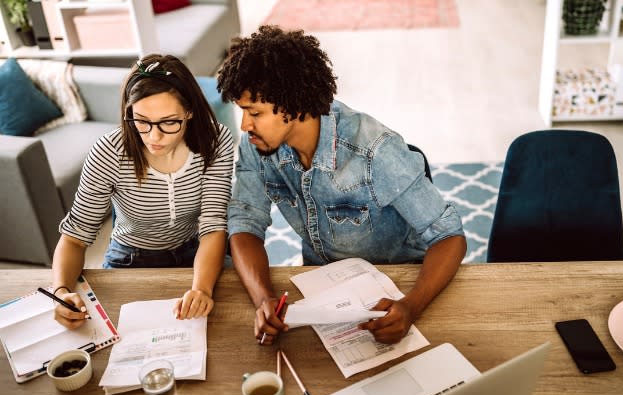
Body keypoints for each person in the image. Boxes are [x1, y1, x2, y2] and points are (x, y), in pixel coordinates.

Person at [217, 26, 467, 345]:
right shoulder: (255, 146)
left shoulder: (374, 151)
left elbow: (449, 237)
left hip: (398, 286)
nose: (244, 125)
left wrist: (411, 306)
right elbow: (244, 223)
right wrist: (263, 298)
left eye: (254, 113)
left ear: (293, 105)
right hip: (322, 289)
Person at [51, 54, 234, 329]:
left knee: (228, 322)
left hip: (198, 250)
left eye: (168, 122)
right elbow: (76, 237)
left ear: (190, 111)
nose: (153, 137)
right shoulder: (109, 152)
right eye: (142, 121)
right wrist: (60, 292)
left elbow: (213, 226)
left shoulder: (216, 142)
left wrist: (202, 289)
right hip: (131, 258)